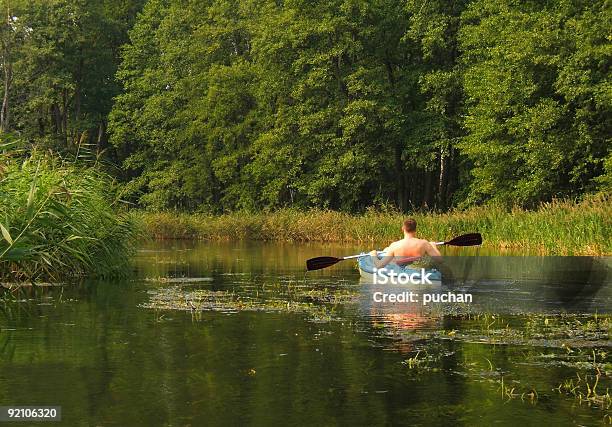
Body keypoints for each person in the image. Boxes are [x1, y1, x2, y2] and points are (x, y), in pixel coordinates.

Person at [369, 218, 441, 268]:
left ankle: (386, 251)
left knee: (388, 251)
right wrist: (433, 246)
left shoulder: (394, 245)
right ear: (415, 229)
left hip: (402, 269)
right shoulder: (424, 243)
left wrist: (373, 255)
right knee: (387, 250)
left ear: (403, 228)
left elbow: (379, 266)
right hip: (417, 268)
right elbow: (440, 260)